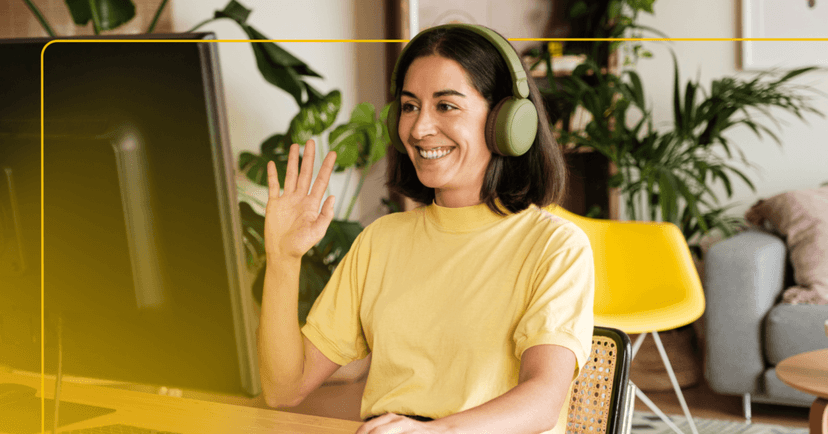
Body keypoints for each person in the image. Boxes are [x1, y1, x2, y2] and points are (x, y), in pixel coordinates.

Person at [257, 24, 595, 434]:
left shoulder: (555, 247)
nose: (418, 129)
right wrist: (282, 259)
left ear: (506, 120)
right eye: (410, 106)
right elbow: (283, 389)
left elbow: (543, 400)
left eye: (446, 106)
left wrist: (435, 432)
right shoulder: (381, 241)